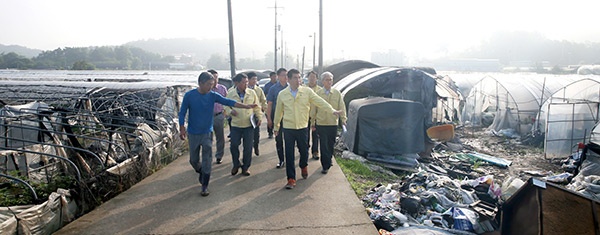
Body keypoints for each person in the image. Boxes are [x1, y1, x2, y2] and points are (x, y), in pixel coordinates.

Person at [178, 72, 257, 196]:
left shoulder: (213, 95)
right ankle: (201, 171)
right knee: (193, 160)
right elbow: (182, 112)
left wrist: (246, 106)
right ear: (201, 83)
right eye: (209, 84)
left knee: (207, 159)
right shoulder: (189, 96)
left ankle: (205, 186)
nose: (211, 86)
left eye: (212, 84)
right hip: (193, 132)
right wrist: (182, 127)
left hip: (207, 132)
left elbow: (229, 102)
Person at [273, 69, 342, 189]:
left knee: (304, 151)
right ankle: (291, 179)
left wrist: (332, 110)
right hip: (288, 128)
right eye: (295, 78)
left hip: (303, 127)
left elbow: (320, 102)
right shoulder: (282, 94)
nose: (298, 80)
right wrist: (276, 126)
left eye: (299, 77)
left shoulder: (307, 92)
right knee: (289, 154)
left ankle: (303, 165)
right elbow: (279, 111)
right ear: (288, 79)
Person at [226, 73, 262, 176]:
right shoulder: (231, 93)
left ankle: (246, 167)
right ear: (237, 83)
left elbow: (257, 106)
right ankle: (236, 164)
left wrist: (259, 117)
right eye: (243, 82)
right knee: (234, 146)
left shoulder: (252, 93)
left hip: (248, 125)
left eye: (246, 82)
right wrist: (230, 111)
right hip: (236, 125)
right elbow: (225, 105)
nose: (246, 84)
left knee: (248, 147)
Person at [310, 71, 347, 174]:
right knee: (323, 144)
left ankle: (329, 158)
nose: (329, 81)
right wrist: (313, 122)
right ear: (322, 81)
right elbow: (313, 109)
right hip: (321, 123)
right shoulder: (317, 94)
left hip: (332, 123)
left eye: (331, 79)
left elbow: (341, 106)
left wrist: (343, 119)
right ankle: (325, 165)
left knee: (331, 144)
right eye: (327, 79)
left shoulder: (337, 93)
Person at [267, 68, 288, 168]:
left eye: (287, 75)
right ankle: (281, 160)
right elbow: (270, 104)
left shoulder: (292, 87)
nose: (285, 77)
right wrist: (269, 119)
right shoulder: (273, 89)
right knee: (279, 139)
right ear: (278, 76)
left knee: (289, 140)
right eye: (283, 75)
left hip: (289, 117)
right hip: (277, 117)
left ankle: (289, 159)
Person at [208, 69, 227, 164]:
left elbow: (227, 101)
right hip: (207, 117)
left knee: (220, 137)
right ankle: (208, 157)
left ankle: (219, 156)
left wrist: (225, 112)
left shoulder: (222, 88)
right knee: (208, 138)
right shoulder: (205, 89)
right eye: (213, 78)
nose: (215, 80)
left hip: (219, 115)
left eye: (217, 77)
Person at [247, 72, 267, 156]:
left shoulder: (258, 90)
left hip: (256, 114)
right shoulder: (245, 90)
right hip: (247, 114)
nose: (255, 81)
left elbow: (263, 100)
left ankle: (256, 146)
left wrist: (264, 110)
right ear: (248, 80)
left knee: (256, 133)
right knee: (248, 133)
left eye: (256, 79)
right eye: (253, 79)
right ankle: (248, 148)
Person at [305, 71, 322, 160]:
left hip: (315, 116)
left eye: (314, 77)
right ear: (308, 78)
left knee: (315, 135)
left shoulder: (320, 90)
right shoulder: (303, 88)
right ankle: (305, 150)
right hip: (305, 115)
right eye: (310, 77)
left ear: (317, 79)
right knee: (305, 134)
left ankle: (315, 151)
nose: (312, 79)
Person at [263, 71, 278, 139]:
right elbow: (264, 94)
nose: (275, 78)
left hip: (278, 106)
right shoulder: (267, 85)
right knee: (270, 119)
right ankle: (270, 132)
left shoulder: (279, 84)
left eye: (275, 76)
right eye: (273, 76)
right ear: (270, 77)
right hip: (270, 105)